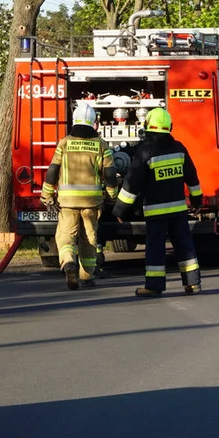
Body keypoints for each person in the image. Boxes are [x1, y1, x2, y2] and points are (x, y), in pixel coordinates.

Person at [113, 108, 203, 297]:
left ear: (147, 127)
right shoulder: (179, 149)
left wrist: (120, 210)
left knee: (155, 247)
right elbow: (192, 177)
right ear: (169, 127)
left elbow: (132, 183)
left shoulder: (145, 152)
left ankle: (154, 286)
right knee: (184, 245)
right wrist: (196, 200)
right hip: (178, 210)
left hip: (156, 212)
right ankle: (193, 283)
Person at [40, 102, 117, 291]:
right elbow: (110, 175)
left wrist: (47, 195)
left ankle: (68, 263)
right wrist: (111, 196)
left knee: (66, 236)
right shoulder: (102, 145)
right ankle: (87, 276)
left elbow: (53, 171)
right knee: (89, 238)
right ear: (94, 122)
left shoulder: (64, 142)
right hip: (92, 203)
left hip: (67, 201)